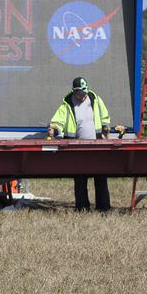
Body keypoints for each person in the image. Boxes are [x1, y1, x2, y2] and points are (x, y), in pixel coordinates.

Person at [49, 76, 112, 211]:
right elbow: (58, 121)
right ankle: (82, 208)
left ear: (87, 90)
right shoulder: (67, 103)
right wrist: (54, 129)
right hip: (77, 147)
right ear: (73, 91)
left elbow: (105, 116)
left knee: (100, 176)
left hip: (97, 145)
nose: (81, 96)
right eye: (78, 93)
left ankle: (103, 207)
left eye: (83, 93)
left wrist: (106, 128)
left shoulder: (95, 100)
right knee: (80, 178)